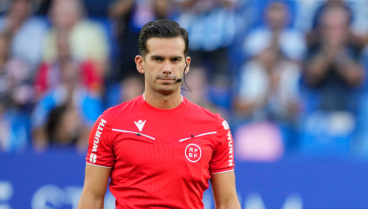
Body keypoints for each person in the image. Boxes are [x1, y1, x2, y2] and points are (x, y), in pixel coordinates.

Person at [77, 19, 240, 209]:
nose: (167, 69)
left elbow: (228, 203)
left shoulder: (215, 127)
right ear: (140, 64)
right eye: (158, 59)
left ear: (186, 65)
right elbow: (92, 197)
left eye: (175, 60)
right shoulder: (110, 122)